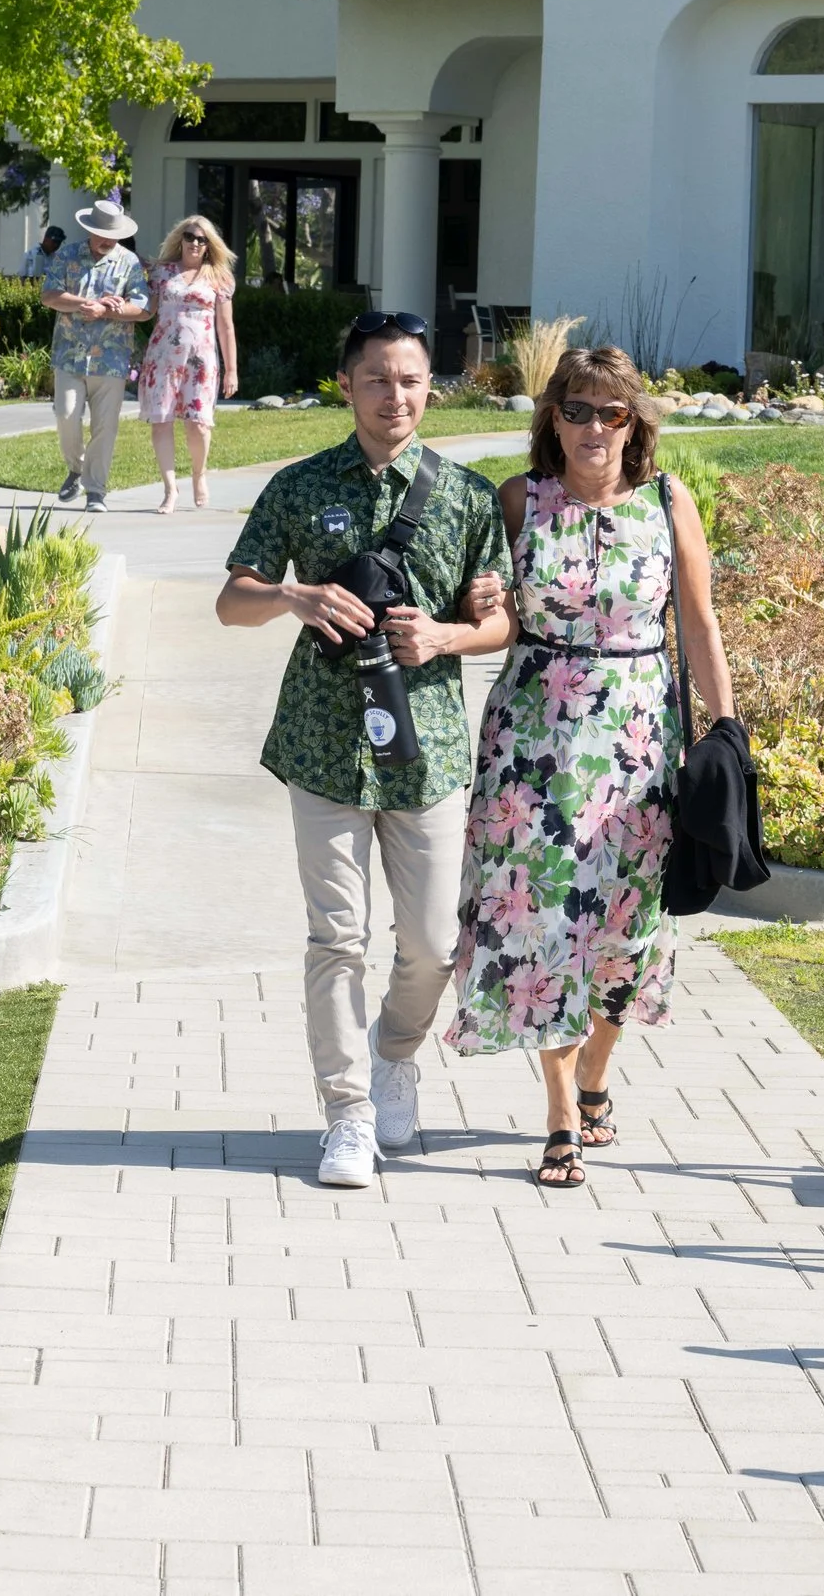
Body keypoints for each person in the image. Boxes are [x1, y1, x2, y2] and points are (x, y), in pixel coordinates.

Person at [215, 314, 514, 1188]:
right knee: (335, 939)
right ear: (346, 385)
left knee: (430, 942)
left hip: (426, 753)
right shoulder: (300, 486)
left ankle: (394, 1056)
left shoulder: (464, 496)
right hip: (322, 744)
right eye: (377, 379)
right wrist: (293, 596)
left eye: (412, 379)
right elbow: (232, 602)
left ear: (431, 388)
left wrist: (448, 636)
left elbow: (498, 619)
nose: (396, 395)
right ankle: (346, 1113)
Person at [443, 345, 737, 1189]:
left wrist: (727, 731)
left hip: (639, 743)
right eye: (577, 410)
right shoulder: (518, 500)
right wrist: (477, 604)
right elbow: (486, 602)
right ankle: (561, 1110)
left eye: (613, 413)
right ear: (553, 417)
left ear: (635, 421)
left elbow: (702, 622)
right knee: (537, 922)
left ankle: (599, 1066)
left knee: (628, 926)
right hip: (531, 742)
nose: (595, 428)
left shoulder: (667, 501)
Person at [38, 200, 151, 512]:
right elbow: (48, 294)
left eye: (112, 235)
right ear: (89, 230)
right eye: (102, 234)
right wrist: (82, 304)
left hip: (111, 359)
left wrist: (107, 309)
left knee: (105, 427)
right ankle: (76, 467)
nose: (107, 240)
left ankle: (95, 491)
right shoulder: (67, 255)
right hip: (69, 355)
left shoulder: (129, 262)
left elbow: (143, 308)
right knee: (65, 414)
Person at [140, 214, 240, 514]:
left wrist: (232, 370)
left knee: (198, 424)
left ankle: (199, 474)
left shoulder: (219, 277)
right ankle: (170, 490)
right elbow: (147, 310)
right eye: (190, 237)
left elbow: (226, 327)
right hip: (162, 358)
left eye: (201, 239)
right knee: (161, 421)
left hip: (201, 361)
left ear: (209, 245)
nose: (195, 243)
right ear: (180, 240)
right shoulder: (162, 273)